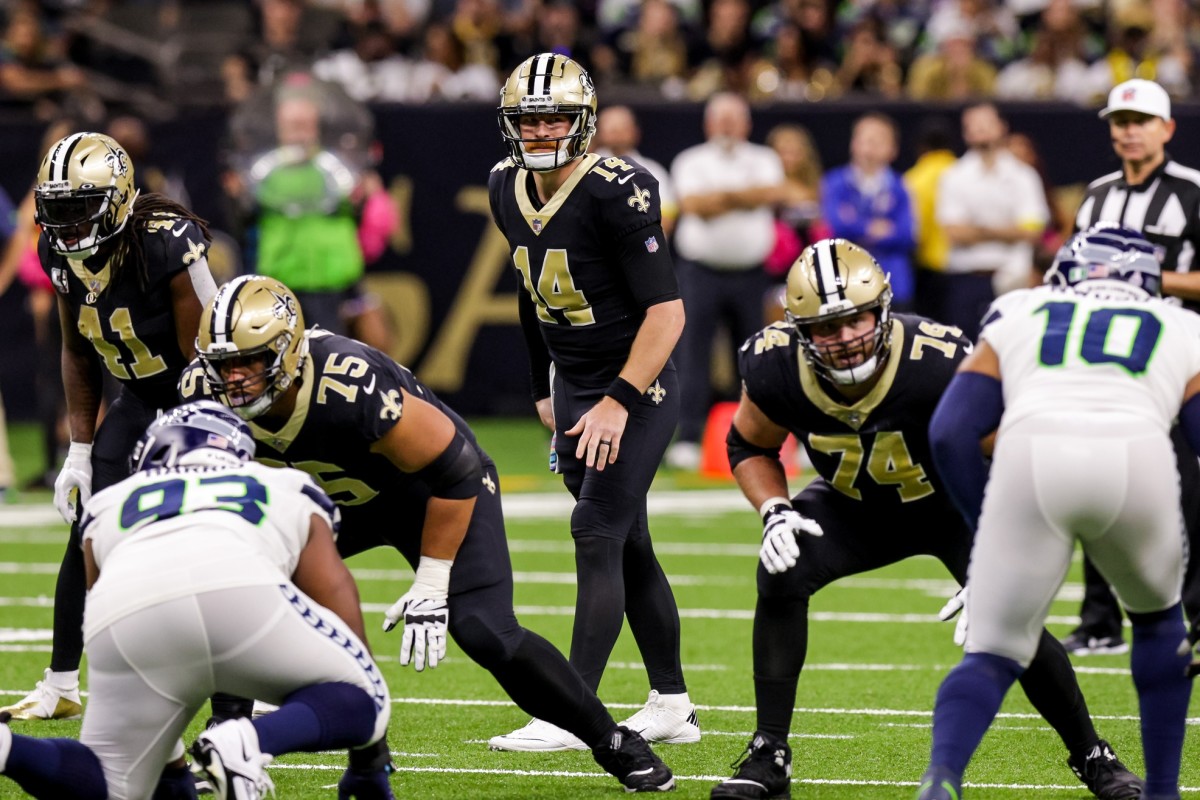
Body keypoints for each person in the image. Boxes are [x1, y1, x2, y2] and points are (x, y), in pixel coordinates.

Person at [180, 274, 676, 793]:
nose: (233, 380)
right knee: (230, 579)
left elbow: (456, 472)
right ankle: (229, 731)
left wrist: (432, 581)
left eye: (249, 362)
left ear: (286, 352)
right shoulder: (200, 391)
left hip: (429, 493)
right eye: (222, 365)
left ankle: (613, 742)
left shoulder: (348, 383)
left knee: (485, 631)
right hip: (329, 504)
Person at [708, 238, 1142, 800]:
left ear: (882, 308)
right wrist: (774, 510)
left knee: (1010, 617)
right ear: (798, 329)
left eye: (856, 320)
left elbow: (1017, 458)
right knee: (781, 570)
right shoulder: (774, 364)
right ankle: (769, 754)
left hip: (950, 506)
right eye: (825, 328)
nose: (843, 339)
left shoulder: (939, 363)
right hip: (850, 505)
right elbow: (748, 445)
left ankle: (1093, 755)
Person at [916, 225, 1195, 800]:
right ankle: (1164, 792)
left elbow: (949, 434)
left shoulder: (1021, 308)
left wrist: (983, 530)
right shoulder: (1183, 325)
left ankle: (941, 781)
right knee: (1159, 623)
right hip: (1134, 460)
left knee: (993, 651)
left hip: (1030, 463)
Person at [0, 401, 391, 800]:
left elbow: (103, 603)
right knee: (363, 696)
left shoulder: (107, 505)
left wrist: (167, 768)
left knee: (112, 777)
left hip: (128, 617)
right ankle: (248, 740)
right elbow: (335, 593)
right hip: (241, 595)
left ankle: (7, 749)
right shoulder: (283, 485)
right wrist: (370, 753)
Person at [485, 52, 695, 752]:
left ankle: (571, 711)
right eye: (529, 119)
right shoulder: (503, 186)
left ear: (584, 121)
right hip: (574, 378)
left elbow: (666, 313)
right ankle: (671, 702)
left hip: (639, 374)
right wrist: (544, 381)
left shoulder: (619, 189)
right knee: (628, 539)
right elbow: (531, 289)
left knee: (596, 528)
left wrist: (618, 400)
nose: (542, 132)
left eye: (554, 118)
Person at [0, 131, 217, 722]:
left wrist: (198, 442)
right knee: (87, 526)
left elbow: (208, 357)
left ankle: (246, 684)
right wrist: (79, 448)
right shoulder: (59, 255)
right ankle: (61, 684)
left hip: (204, 403)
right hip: (141, 398)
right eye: (57, 210)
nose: (66, 226)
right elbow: (76, 351)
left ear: (118, 199)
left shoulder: (166, 244)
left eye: (79, 209)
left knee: (205, 541)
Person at [1067, 77, 1200, 656]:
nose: (1128, 131)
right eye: (1120, 123)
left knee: (1186, 486)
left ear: (1167, 128)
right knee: (1099, 483)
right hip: (1106, 358)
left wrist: (1148, 278)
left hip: (1177, 357)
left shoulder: (1193, 191)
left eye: (1140, 120)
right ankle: (1100, 619)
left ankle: (1195, 615)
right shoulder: (1095, 194)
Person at [667, 91, 784, 471]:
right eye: (721, 117)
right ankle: (688, 437)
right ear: (708, 123)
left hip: (751, 273)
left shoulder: (764, 158)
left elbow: (771, 193)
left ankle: (760, 436)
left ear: (747, 123)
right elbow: (694, 205)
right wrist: (744, 197)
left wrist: (721, 198)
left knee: (755, 356)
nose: (728, 125)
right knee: (692, 355)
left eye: (735, 117)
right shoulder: (691, 160)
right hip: (700, 271)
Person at [935, 102, 1049, 341]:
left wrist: (978, 231)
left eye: (987, 124)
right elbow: (954, 232)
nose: (982, 131)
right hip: (966, 280)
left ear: (1002, 127)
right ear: (965, 132)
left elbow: (1033, 230)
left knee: (1014, 346)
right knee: (963, 349)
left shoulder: (1023, 175)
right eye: (974, 126)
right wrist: (1009, 231)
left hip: (1013, 278)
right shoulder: (953, 176)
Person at [819, 112, 915, 309]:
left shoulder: (901, 186)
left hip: (892, 284)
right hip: (846, 284)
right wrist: (877, 227)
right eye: (864, 140)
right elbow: (836, 228)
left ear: (893, 149)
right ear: (853, 144)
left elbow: (906, 234)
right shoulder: (835, 182)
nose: (869, 147)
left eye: (878, 141)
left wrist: (856, 225)